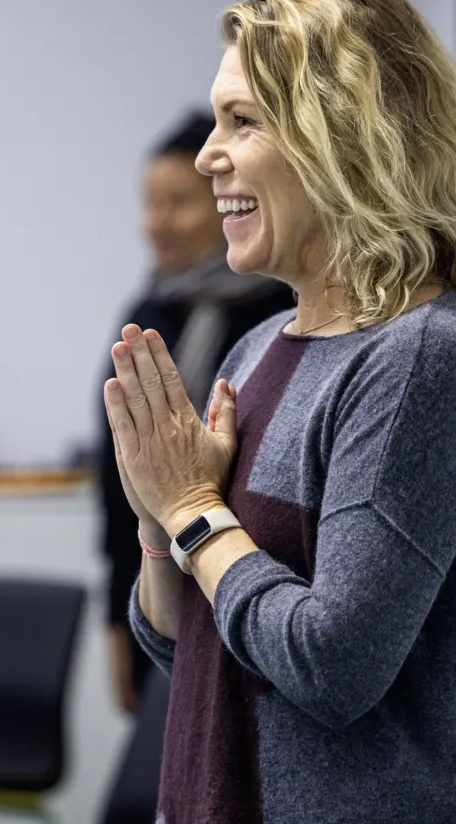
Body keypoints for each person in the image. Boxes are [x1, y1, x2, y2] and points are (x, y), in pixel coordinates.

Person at [103, 0, 456, 823]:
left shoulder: (426, 361)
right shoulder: (261, 346)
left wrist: (193, 511)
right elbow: (184, 643)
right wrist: (159, 526)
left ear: (346, 142)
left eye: (243, 121)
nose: (206, 157)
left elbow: (333, 666)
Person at [99, 111, 294, 715]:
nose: (156, 223)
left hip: (248, 588)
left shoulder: (278, 311)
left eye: (178, 201)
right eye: (149, 203)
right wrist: (119, 612)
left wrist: (186, 507)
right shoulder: (152, 304)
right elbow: (120, 478)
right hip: (159, 582)